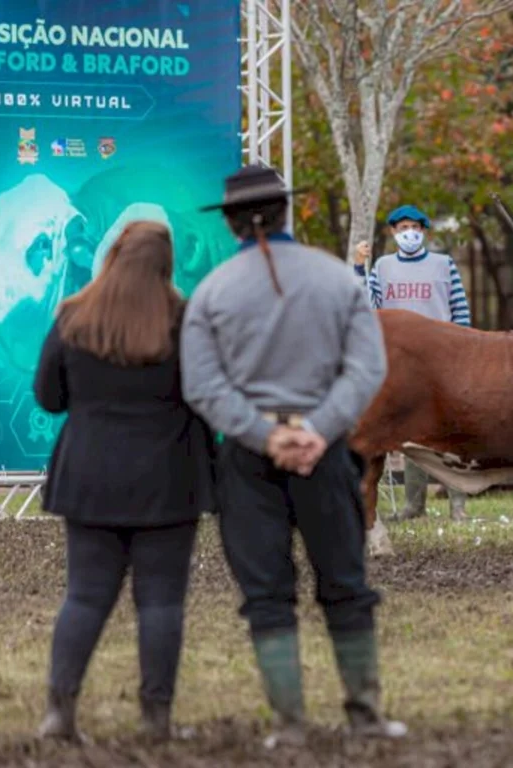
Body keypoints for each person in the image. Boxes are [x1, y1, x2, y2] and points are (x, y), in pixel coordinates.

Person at [182, 165, 406, 746]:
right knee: (346, 583)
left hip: (247, 461)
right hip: (324, 455)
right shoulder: (337, 280)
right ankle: (366, 714)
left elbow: (203, 386)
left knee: (266, 594)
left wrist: (264, 434)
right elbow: (368, 368)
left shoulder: (210, 293)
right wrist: (317, 430)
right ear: (286, 212)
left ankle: (290, 725)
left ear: (230, 223)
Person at [34, 221, 215, 742]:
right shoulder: (185, 321)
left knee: (85, 596)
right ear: (167, 264)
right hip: (168, 480)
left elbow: (49, 397)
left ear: (112, 255)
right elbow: (205, 396)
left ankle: (59, 713)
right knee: (161, 602)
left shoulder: (73, 315)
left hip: (89, 479)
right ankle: (156, 721)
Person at [353, 204, 470, 522]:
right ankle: (414, 504)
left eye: (415, 228)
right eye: (403, 228)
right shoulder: (382, 266)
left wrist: (464, 349)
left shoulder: (443, 264)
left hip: (442, 355)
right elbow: (368, 307)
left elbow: (460, 309)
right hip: (401, 360)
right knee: (411, 431)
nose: (410, 233)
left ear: (424, 231)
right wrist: (358, 267)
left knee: (450, 429)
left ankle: (458, 504)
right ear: (394, 232)